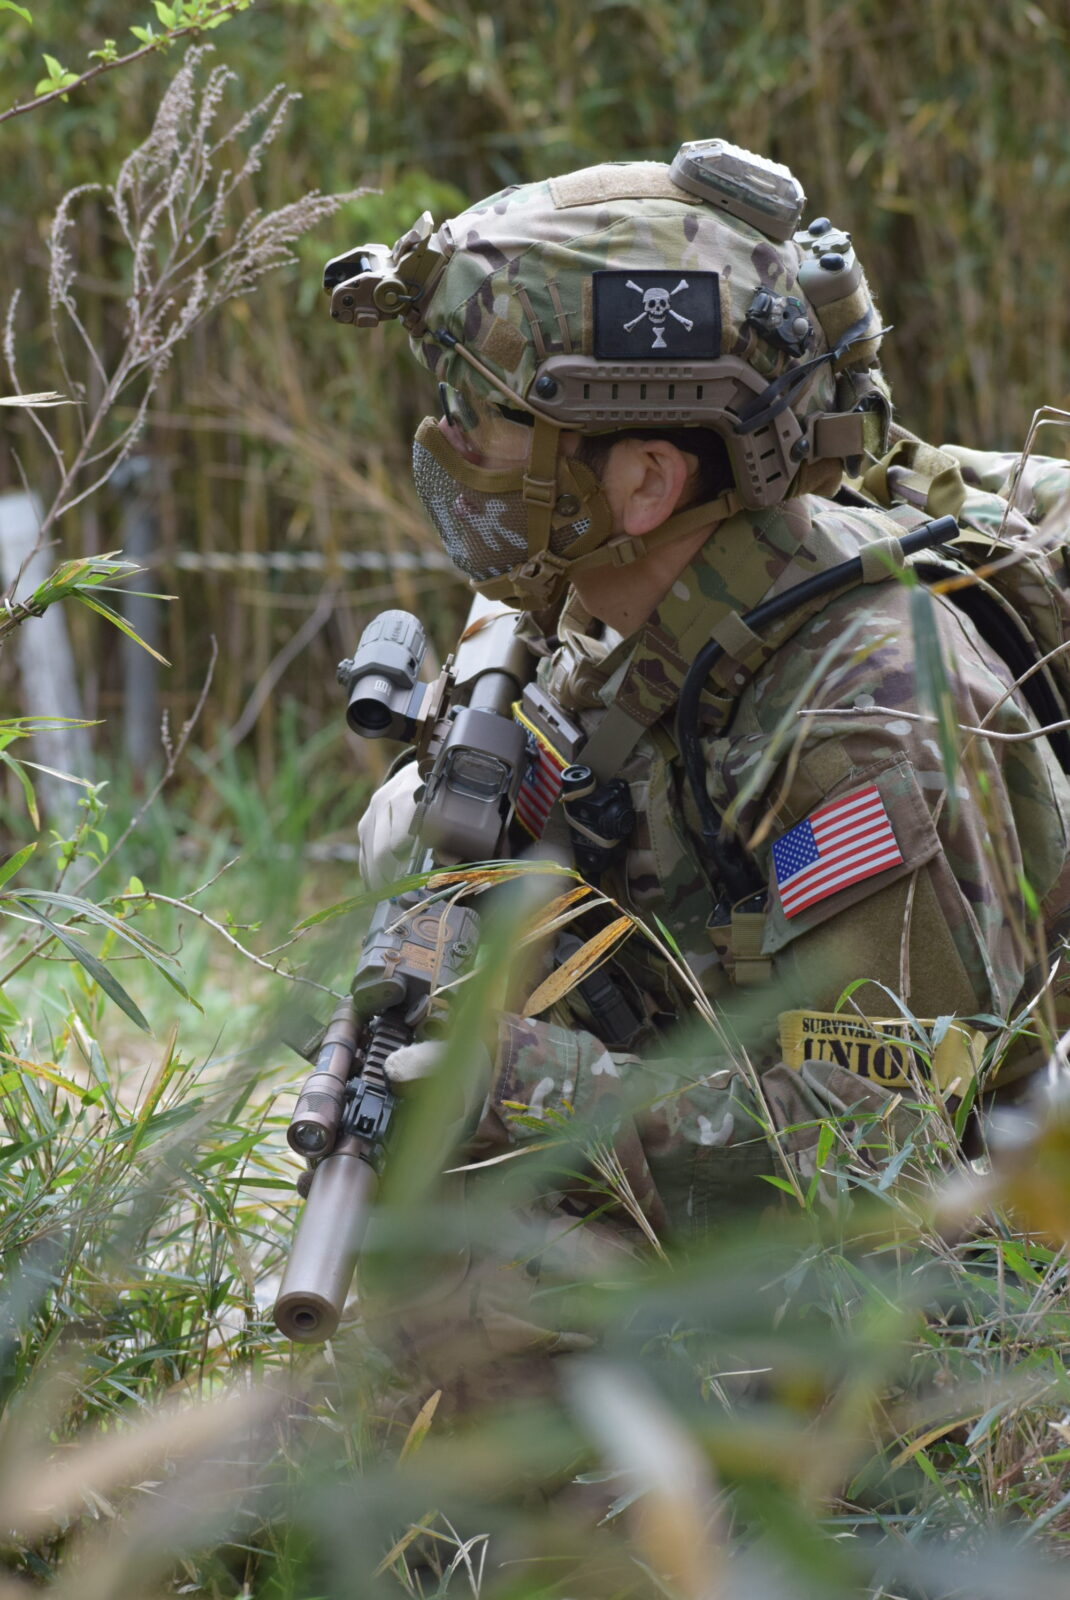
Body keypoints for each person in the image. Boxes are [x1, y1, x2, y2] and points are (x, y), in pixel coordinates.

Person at [334, 141, 1070, 1409]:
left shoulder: (857, 724)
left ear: (642, 478)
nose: (448, 441)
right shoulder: (625, 603)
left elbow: (864, 1161)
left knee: (476, 1308)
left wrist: (512, 1082)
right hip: (749, 1194)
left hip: (924, 1313)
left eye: (485, 413)